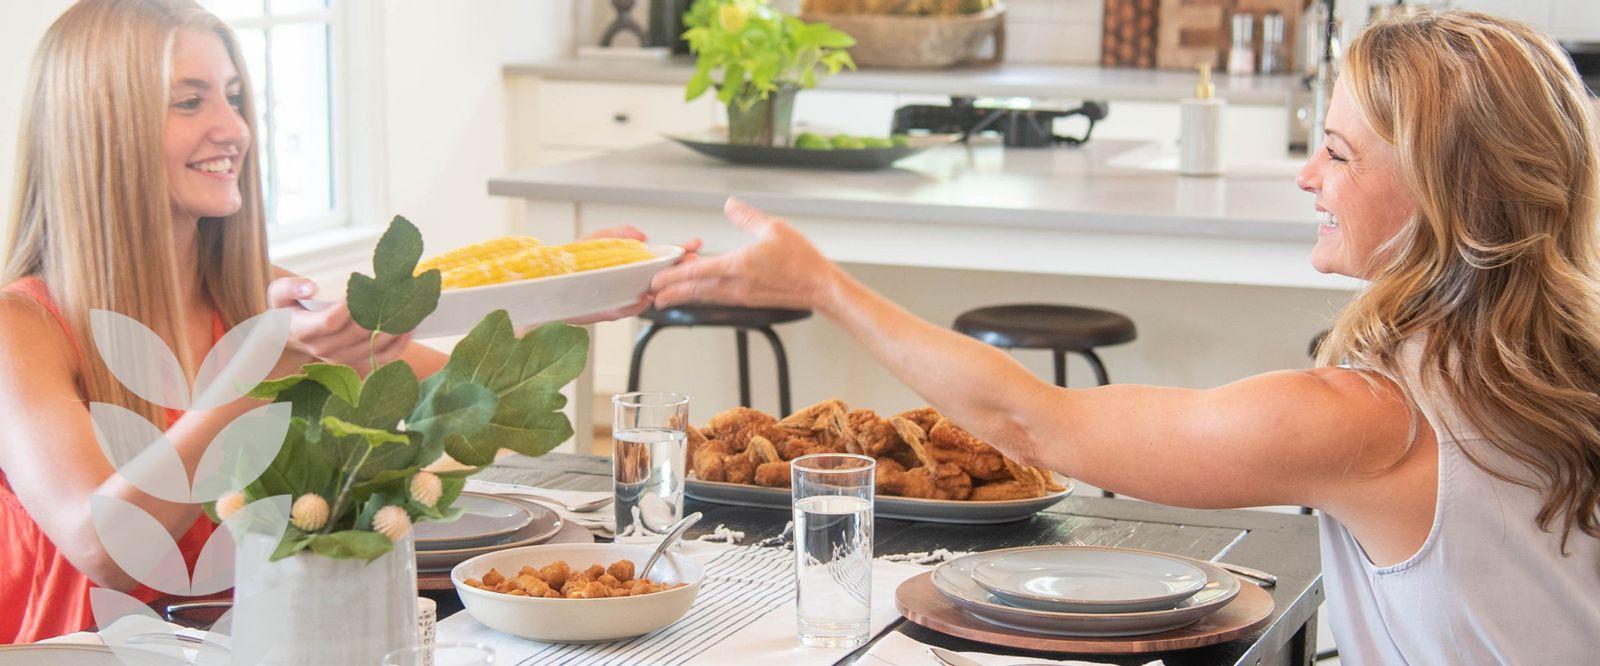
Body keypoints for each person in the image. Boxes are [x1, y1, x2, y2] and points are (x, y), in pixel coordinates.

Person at [651, 10, 1600, 662]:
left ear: (1447, 197)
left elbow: (1034, 426)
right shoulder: (1560, 372)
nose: (1307, 177)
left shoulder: (1373, 420)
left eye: (1340, 154)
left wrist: (820, 284)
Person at [0, 0, 679, 643]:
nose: (233, 128)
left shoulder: (252, 298)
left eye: (234, 97)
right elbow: (106, 549)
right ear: (99, 127)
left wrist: (556, 300)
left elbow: (465, 405)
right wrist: (258, 374)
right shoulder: (23, 327)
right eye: (190, 101)